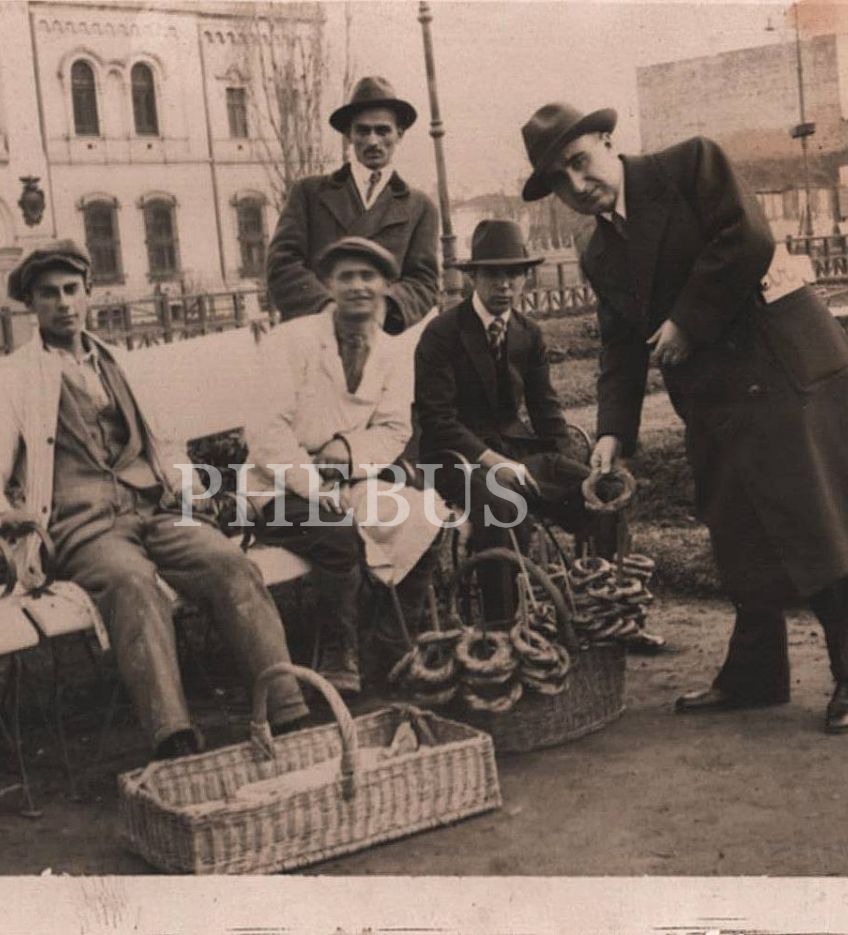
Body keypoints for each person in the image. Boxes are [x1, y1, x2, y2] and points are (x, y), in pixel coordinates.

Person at [517, 102, 848, 733]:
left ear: (606, 141)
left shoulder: (688, 166)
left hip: (785, 375)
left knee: (819, 520)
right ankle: (755, 675)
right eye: (560, 180)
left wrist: (686, 321)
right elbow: (620, 346)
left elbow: (748, 238)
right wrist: (612, 432)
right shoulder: (596, 252)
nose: (577, 183)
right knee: (735, 528)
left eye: (579, 161)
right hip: (714, 399)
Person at [0, 240, 310, 760]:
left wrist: (190, 492)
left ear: (88, 293)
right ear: (31, 304)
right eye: (49, 294)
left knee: (229, 563)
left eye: (72, 290)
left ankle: (289, 709)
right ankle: (174, 739)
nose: (64, 303)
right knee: (132, 583)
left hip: (154, 508)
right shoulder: (13, 378)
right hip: (84, 526)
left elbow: (165, 444)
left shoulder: (121, 364)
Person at [414, 219, 664, 650]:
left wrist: (577, 468)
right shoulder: (442, 333)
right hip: (456, 460)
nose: (505, 285)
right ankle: (505, 637)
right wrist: (495, 463)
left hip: (516, 452)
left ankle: (605, 615)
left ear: (525, 277)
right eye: (493, 274)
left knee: (603, 493)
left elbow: (547, 413)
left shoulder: (527, 333)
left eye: (515, 274)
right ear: (473, 277)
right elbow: (438, 420)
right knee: (505, 507)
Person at [245, 237, 451, 695]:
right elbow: (265, 434)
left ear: (387, 285)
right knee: (336, 532)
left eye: (369, 277)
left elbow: (394, 428)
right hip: (276, 488)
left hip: (350, 480)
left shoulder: (392, 352)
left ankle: (391, 647)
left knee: (428, 514)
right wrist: (315, 484)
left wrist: (347, 449)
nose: (359, 287)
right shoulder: (292, 342)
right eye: (346, 277)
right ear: (328, 285)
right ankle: (339, 655)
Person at [266, 76, 440, 334]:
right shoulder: (308, 193)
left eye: (383, 130)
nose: (373, 141)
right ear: (349, 135)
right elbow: (281, 263)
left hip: (382, 337)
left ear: (399, 134)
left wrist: (383, 308)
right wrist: (326, 307)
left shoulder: (420, 207)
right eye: (363, 131)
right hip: (314, 332)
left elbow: (424, 281)